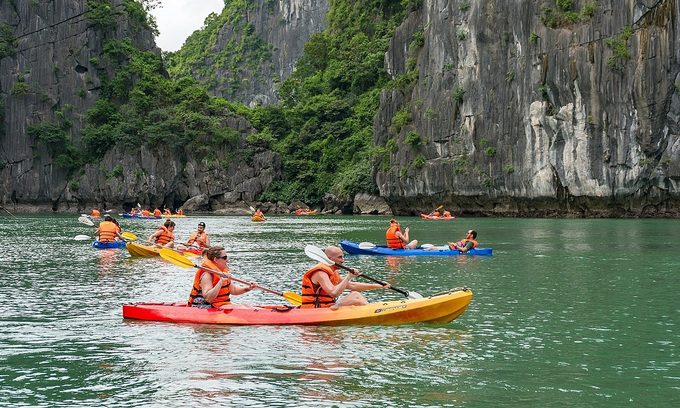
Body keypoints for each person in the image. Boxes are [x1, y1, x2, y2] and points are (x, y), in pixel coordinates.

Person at [301, 246, 390, 309]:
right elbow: (333, 293)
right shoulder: (320, 273)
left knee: (356, 294)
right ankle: (372, 312)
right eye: (340, 257)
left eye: (343, 257)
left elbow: (352, 286)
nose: (343, 260)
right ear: (330, 259)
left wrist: (379, 285)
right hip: (316, 309)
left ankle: (369, 310)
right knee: (356, 297)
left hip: (328, 305)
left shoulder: (333, 271)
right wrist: (348, 276)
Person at [187, 246, 258, 309]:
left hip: (221, 304)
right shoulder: (207, 275)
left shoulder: (223, 272)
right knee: (241, 307)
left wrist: (248, 288)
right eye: (225, 258)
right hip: (205, 305)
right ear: (216, 260)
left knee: (247, 306)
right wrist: (221, 281)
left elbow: (233, 290)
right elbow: (208, 298)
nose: (227, 260)